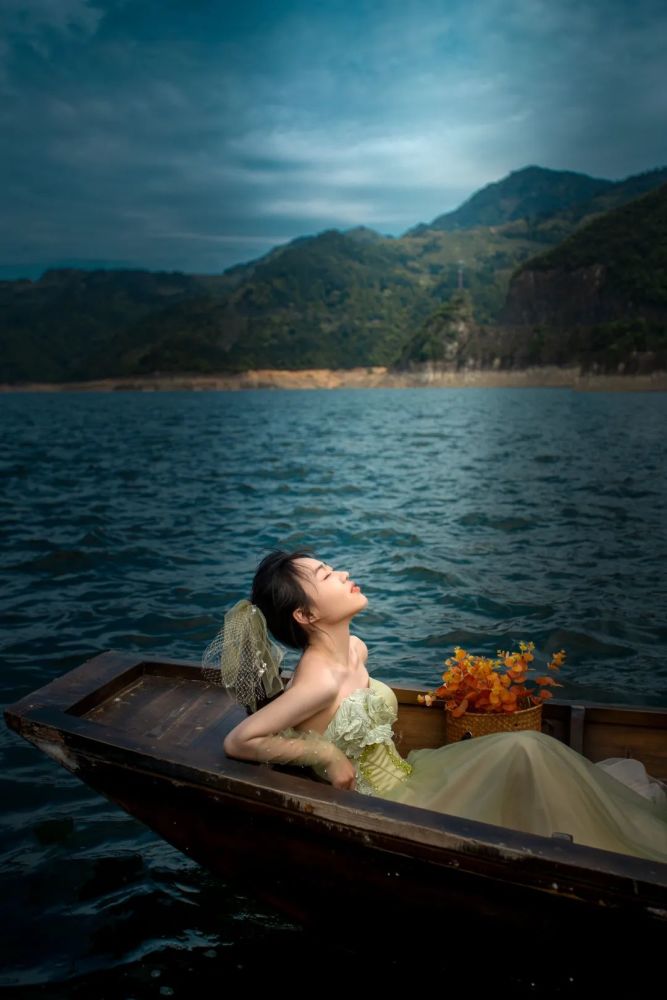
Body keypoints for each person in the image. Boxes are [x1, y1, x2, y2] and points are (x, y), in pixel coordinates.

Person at [207, 548, 667, 863]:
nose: (343, 574)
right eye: (327, 576)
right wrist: (324, 753)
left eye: (331, 568)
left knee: (529, 749)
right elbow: (239, 740)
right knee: (525, 753)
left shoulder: (356, 650)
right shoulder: (318, 683)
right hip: (387, 808)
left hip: (415, 775)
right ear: (306, 615)